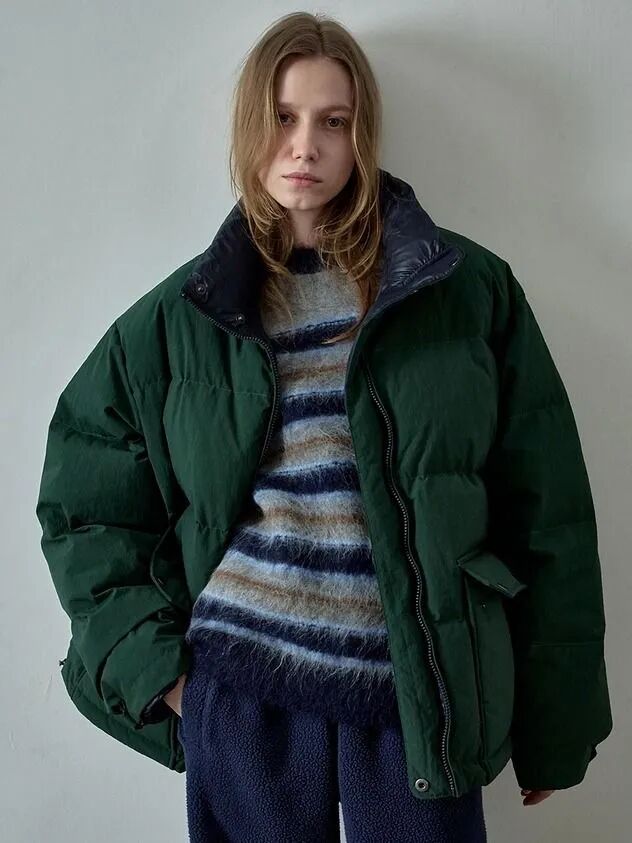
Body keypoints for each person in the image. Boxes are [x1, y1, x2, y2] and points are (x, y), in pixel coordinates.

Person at [36, 11, 612, 843]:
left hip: (418, 695)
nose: (304, 146)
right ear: (250, 125)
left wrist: (557, 727)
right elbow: (83, 509)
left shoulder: (466, 292)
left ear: (361, 134)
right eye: (283, 117)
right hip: (245, 695)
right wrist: (168, 679)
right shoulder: (178, 318)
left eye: (332, 121)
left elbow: (549, 513)